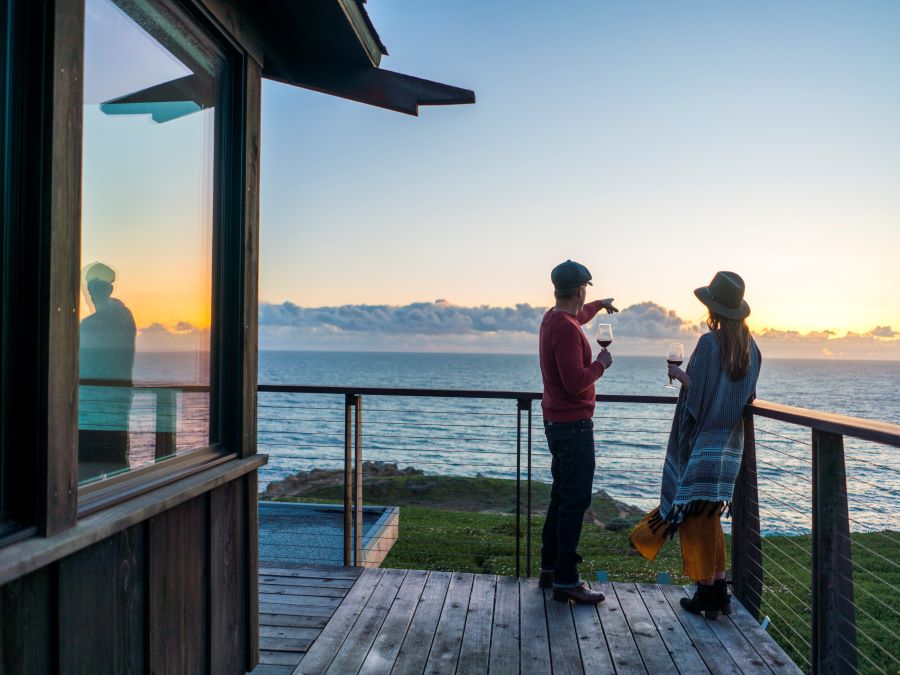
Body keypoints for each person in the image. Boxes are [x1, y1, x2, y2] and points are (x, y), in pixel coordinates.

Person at [630, 271, 761, 619]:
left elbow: (698, 399)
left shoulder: (709, 343)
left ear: (712, 308)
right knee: (709, 517)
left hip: (702, 444)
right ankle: (718, 590)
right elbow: (747, 395)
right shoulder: (752, 348)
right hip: (730, 446)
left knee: (695, 518)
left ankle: (707, 592)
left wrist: (678, 376)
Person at [539, 259, 618, 604]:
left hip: (557, 423)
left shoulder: (554, 318)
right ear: (581, 288)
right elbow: (575, 384)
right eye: (588, 291)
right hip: (573, 426)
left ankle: (550, 570)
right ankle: (567, 581)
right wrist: (601, 364)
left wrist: (599, 306)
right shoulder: (567, 330)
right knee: (574, 501)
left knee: (561, 497)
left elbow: (577, 316)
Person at [78, 261, 137, 480]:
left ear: (108, 289)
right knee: (117, 470)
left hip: (91, 414)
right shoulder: (124, 316)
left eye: (95, 287)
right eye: (90, 288)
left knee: (86, 477)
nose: (91, 294)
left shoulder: (91, 325)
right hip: (115, 411)